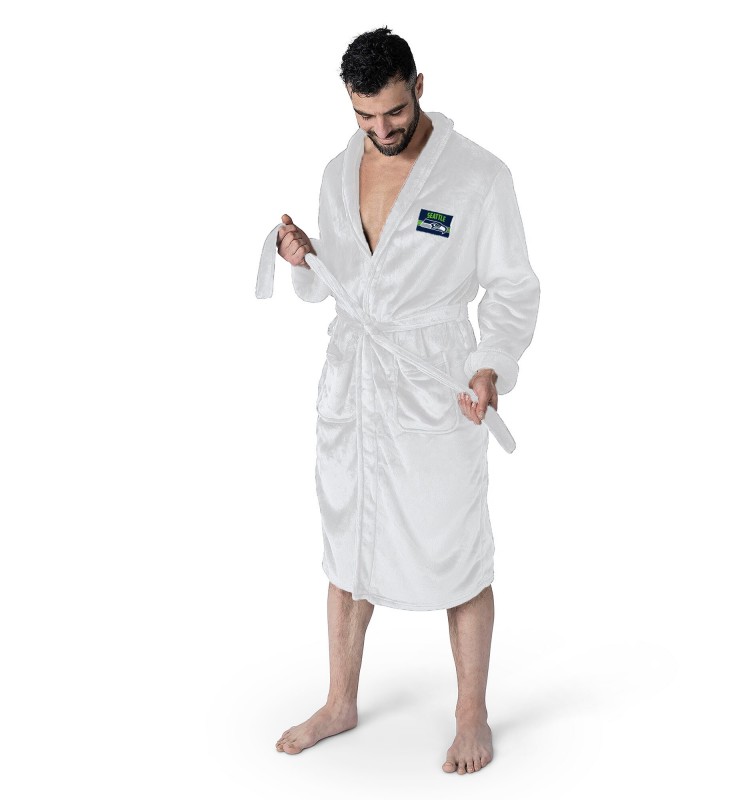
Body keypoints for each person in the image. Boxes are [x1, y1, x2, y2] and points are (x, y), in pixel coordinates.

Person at [265, 27, 541, 774]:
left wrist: (490, 366)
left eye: (393, 111)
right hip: (353, 383)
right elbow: (331, 285)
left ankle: (471, 712)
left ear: (419, 86)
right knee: (347, 543)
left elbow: (513, 287)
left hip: (434, 383)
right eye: (365, 116)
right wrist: (301, 255)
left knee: (458, 548)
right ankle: (340, 700)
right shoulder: (337, 170)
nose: (381, 129)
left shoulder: (478, 176)